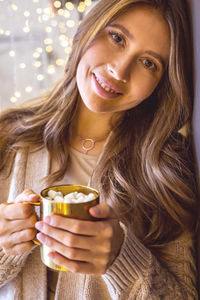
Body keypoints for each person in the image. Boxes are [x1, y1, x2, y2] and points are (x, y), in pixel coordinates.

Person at [0, 0, 198, 299]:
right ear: (87, 31)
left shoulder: (164, 169)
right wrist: (4, 249)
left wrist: (123, 259)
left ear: (162, 83)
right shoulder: (7, 136)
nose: (120, 71)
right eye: (117, 37)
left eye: (148, 63)